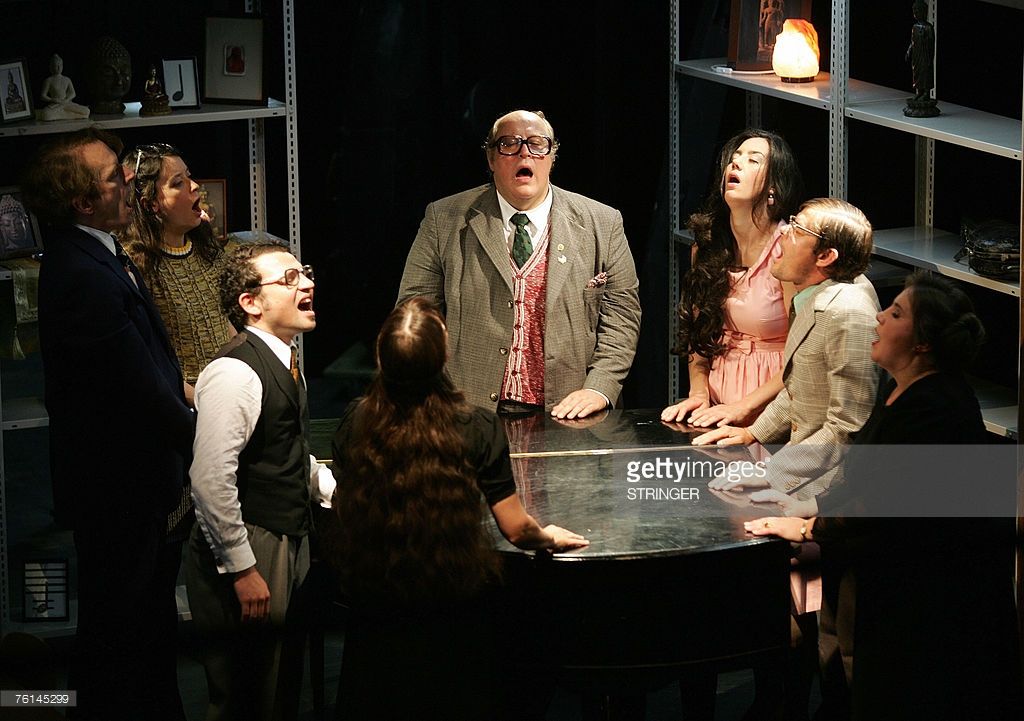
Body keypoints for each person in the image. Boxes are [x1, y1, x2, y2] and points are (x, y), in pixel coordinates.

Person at [746, 271, 1022, 720]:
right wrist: (809, 505)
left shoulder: (935, 408)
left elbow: (884, 507)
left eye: (896, 313)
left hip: (918, 608)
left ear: (923, 343)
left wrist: (808, 527)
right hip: (886, 586)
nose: (878, 317)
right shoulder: (901, 392)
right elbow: (865, 481)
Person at [329, 296, 588, 719]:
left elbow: (344, 508)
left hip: (377, 598)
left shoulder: (355, 422)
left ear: (380, 357)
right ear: (443, 357)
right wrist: (548, 536)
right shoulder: (477, 426)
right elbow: (517, 529)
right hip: (453, 598)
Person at [20, 127, 194, 721]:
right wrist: (208, 436)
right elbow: (136, 389)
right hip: (116, 489)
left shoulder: (99, 252)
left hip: (130, 485)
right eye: (113, 175)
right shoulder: (83, 273)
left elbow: (149, 364)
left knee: (140, 628)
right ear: (82, 202)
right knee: (117, 636)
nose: (127, 180)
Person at [397, 109, 641, 420]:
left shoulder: (603, 222)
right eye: (509, 144)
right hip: (469, 414)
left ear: (552, 157)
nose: (524, 153)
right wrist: (432, 394)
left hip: (571, 414)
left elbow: (622, 318)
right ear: (491, 159)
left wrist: (599, 388)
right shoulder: (444, 219)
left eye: (537, 144)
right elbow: (414, 313)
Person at [185, 242, 335, 721]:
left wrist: (334, 492)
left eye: (304, 272)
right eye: (289, 279)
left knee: (279, 690)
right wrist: (242, 569)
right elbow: (210, 480)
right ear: (250, 302)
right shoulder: (234, 372)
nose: (307, 284)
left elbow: (286, 449)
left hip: (285, 534)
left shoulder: (285, 362)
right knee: (248, 697)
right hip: (253, 542)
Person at [698, 197, 879, 499]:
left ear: (825, 256)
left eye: (797, 229)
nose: (783, 231)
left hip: (826, 492)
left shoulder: (848, 313)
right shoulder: (816, 296)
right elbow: (800, 387)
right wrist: (753, 433)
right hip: (801, 474)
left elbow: (848, 426)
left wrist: (772, 472)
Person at [662, 128, 803, 428]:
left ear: (773, 187)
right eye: (735, 157)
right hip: (718, 405)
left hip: (773, 410)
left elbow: (801, 356)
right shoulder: (708, 245)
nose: (736, 164)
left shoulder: (788, 250)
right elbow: (699, 334)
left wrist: (743, 409)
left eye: (753, 160)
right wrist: (698, 393)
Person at [37, 53, 90, 121]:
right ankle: (68, 114)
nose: (59, 68)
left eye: (60, 65)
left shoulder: (67, 79)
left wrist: (67, 100)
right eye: (56, 66)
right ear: (51, 67)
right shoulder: (48, 80)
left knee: (86, 111)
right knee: (46, 115)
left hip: (67, 103)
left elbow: (73, 93)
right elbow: (43, 96)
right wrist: (53, 99)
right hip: (56, 104)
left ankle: (65, 114)